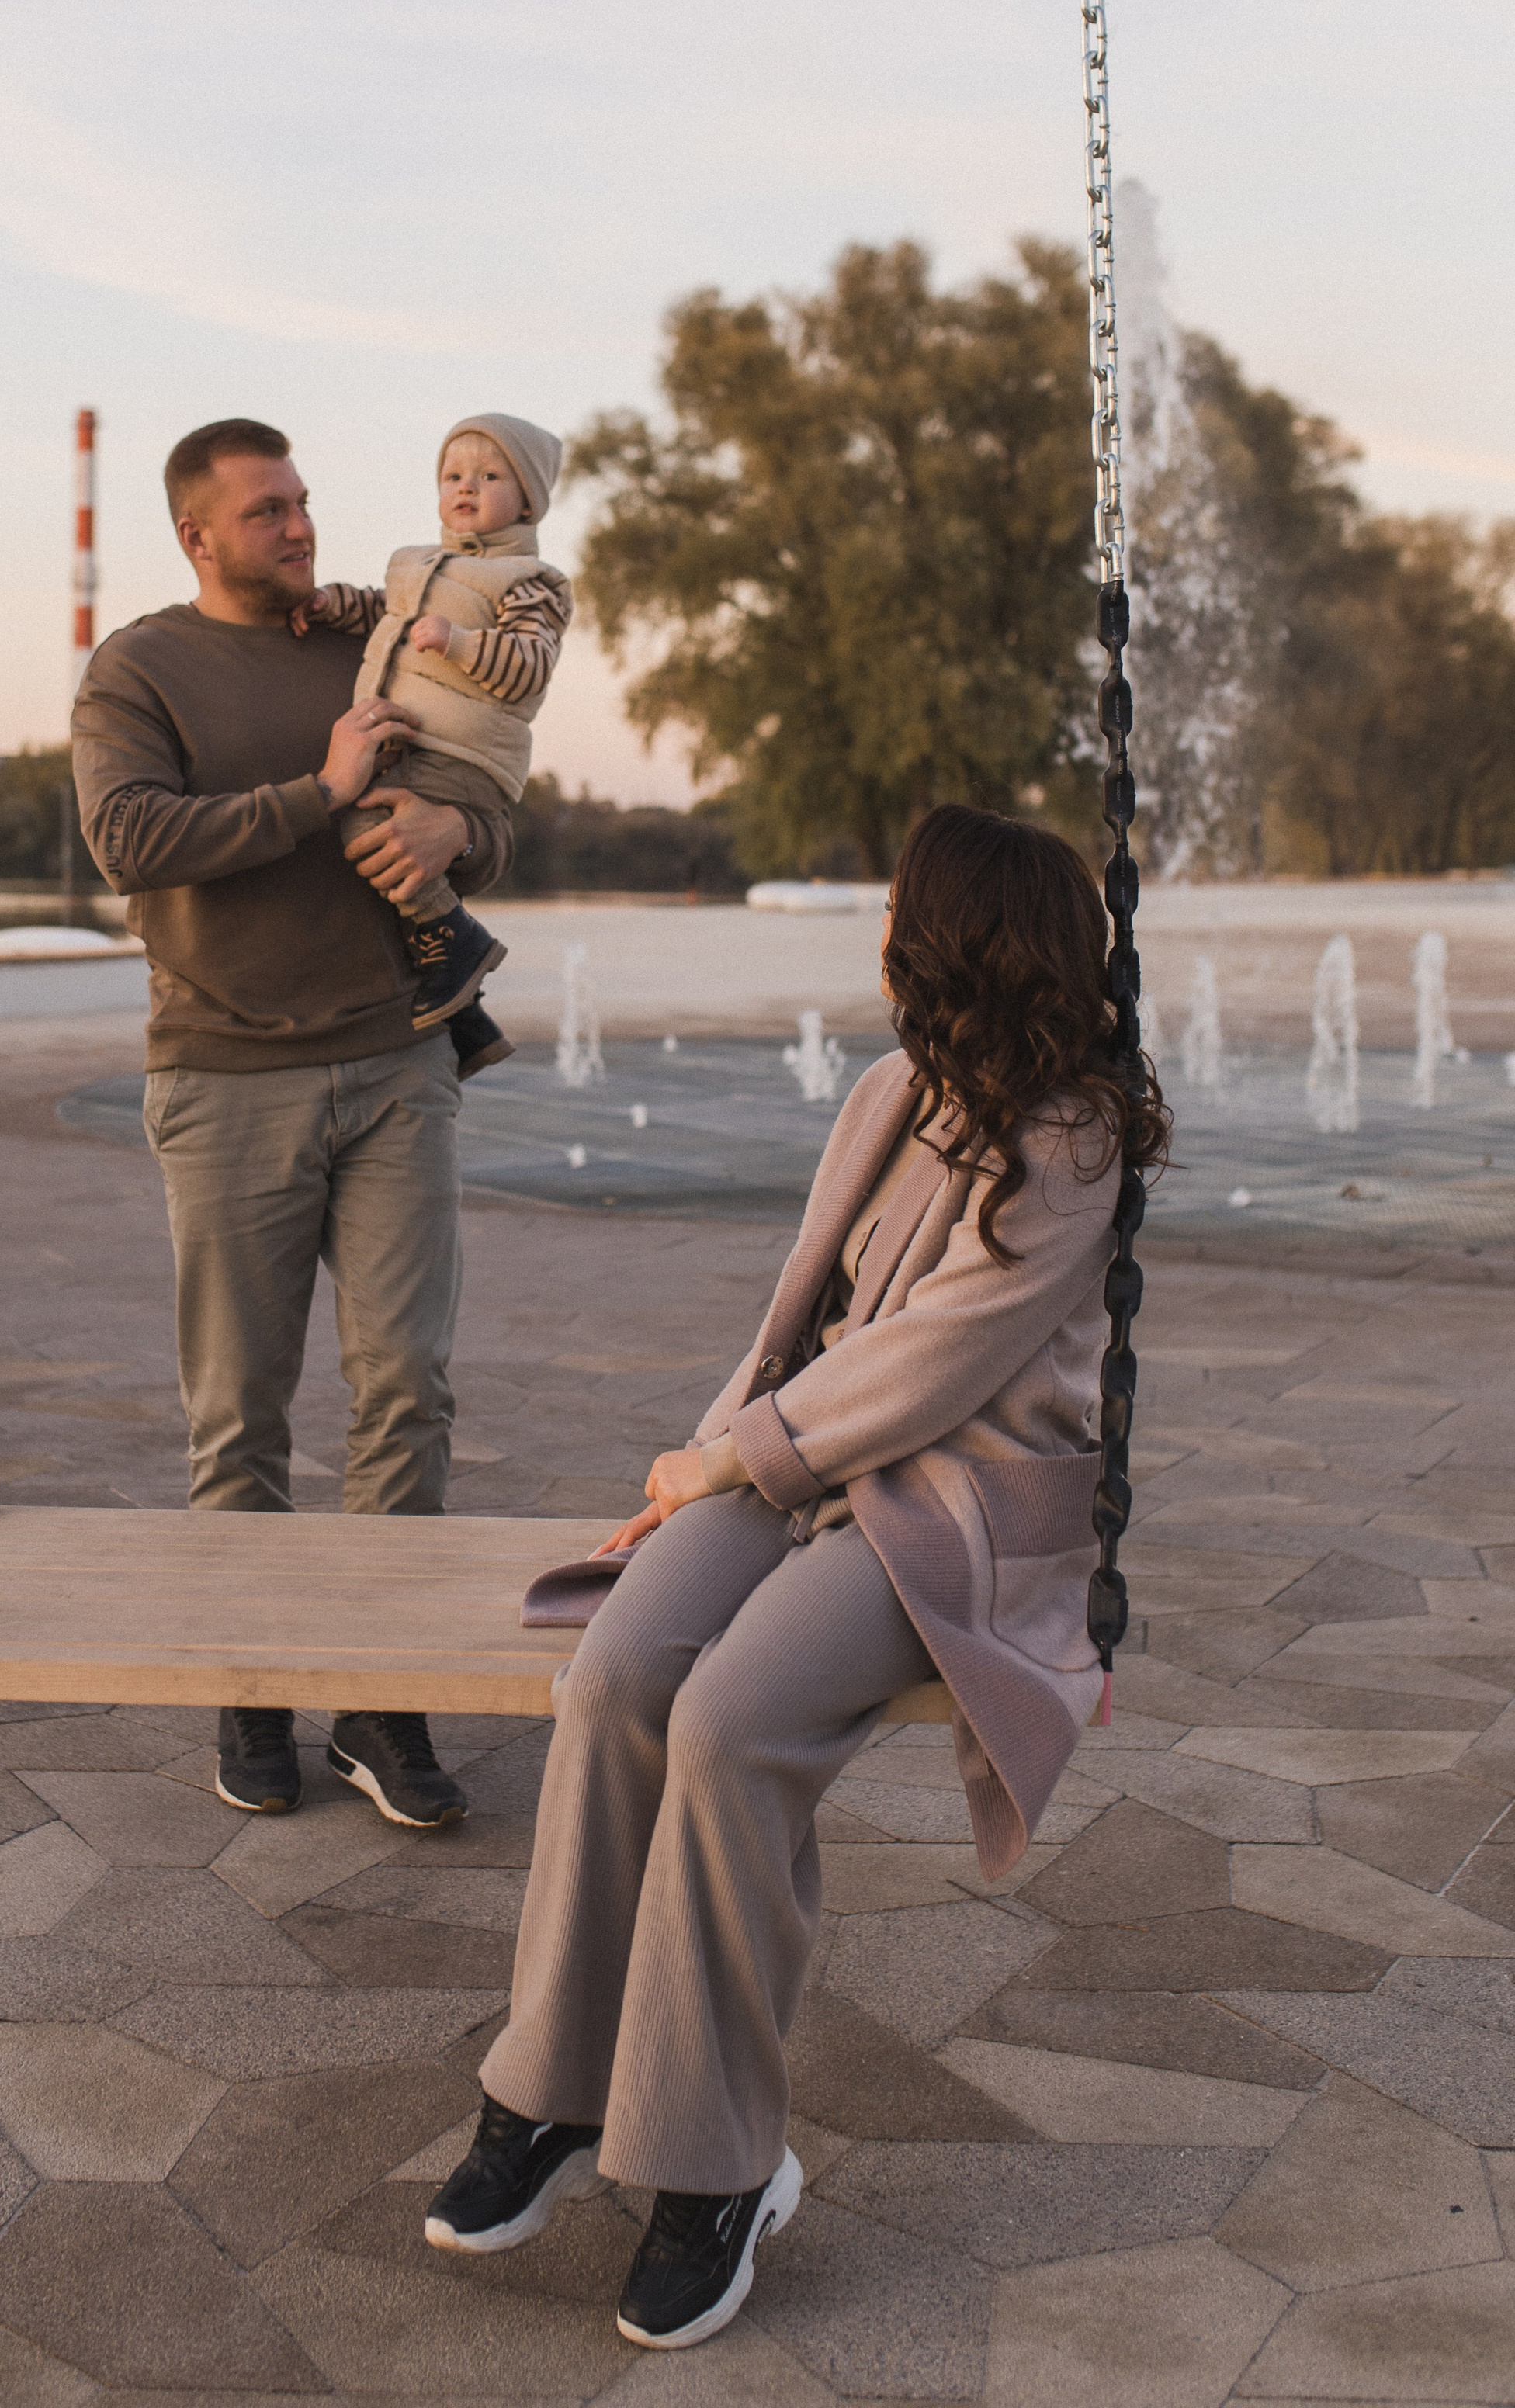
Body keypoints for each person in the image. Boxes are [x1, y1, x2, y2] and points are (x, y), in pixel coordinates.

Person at [423, 804, 1167, 2351]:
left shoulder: (1071, 1135)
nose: (881, 931)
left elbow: (925, 1362)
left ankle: (719, 2170)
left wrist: (729, 1461)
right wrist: (700, 1463)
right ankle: (554, 2094)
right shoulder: (895, 1092)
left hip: (951, 1502)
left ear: (952, 935)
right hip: (798, 1456)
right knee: (621, 1673)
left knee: (727, 1726)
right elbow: (802, 1318)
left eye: (901, 909)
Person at [71, 418, 518, 1831]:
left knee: (408, 1394)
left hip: (399, 1068)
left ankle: (382, 1701)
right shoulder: (139, 669)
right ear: (198, 535)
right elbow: (129, 840)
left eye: (306, 502)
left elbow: (483, 783)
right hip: (224, 1080)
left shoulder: (371, 642)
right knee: (241, 1417)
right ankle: (254, 1682)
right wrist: (317, 793)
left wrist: (463, 839)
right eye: (268, 512)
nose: (302, 526)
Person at [305, 412, 570, 1077]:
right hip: (414, 748)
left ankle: (460, 939)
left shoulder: (529, 581)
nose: (466, 487)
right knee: (385, 876)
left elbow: (530, 664)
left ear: (528, 498)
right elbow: (381, 612)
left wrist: (457, 641)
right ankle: (467, 1019)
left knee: (366, 826)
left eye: (488, 475)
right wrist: (332, 604)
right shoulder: (413, 564)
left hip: (464, 755)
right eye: (453, 475)